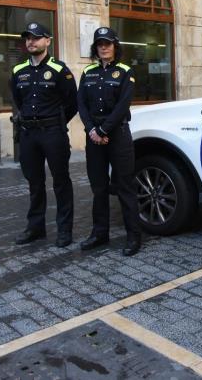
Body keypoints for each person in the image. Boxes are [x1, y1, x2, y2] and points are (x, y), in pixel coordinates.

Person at [11, 22, 77, 248]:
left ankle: (64, 230)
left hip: (53, 133)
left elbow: (72, 103)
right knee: (34, 182)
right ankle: (35, 228)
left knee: (61, 181)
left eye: (37, 37)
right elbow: (18, 101)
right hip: (29, 134)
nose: (31, 41)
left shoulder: (60, 70)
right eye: (28, 37)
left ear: (48, 41)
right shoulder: (18, 71)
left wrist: (55, 123)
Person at [78, 27, 142, 256]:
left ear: (115, 46)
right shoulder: (88, 72)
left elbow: (123, 105)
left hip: (118, 136)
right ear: (95, 48)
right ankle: (99, 233)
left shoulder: (125, 71)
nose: (103, 47)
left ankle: (133, 236)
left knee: (125, 187)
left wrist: (104, 129)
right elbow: (81, 104)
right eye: (99, 44)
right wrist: (92, 130)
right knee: (99, 187)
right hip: (94, 136)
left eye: (107, 43)